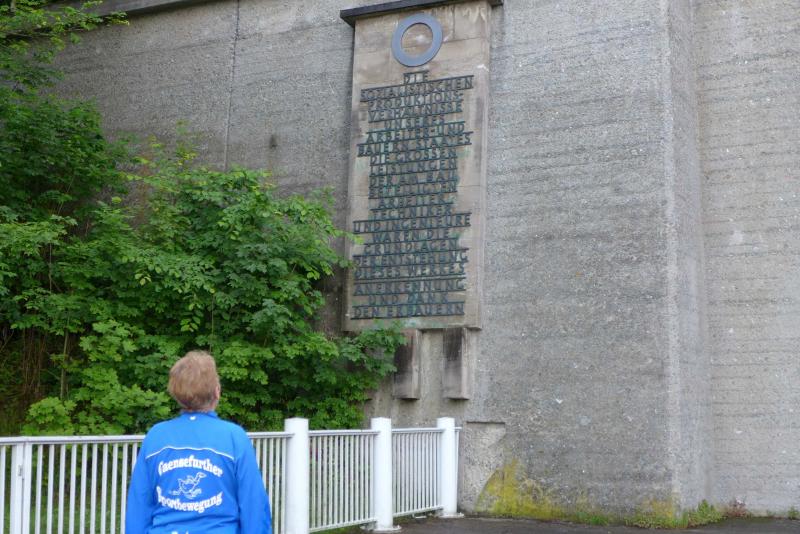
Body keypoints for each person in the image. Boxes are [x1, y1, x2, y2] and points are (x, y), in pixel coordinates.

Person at [126, 350, 272, 534]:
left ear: (176, 394)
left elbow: (138, 505)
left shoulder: (156, 436)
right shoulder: (234, 437)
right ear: (217, 392)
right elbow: (254, 506)